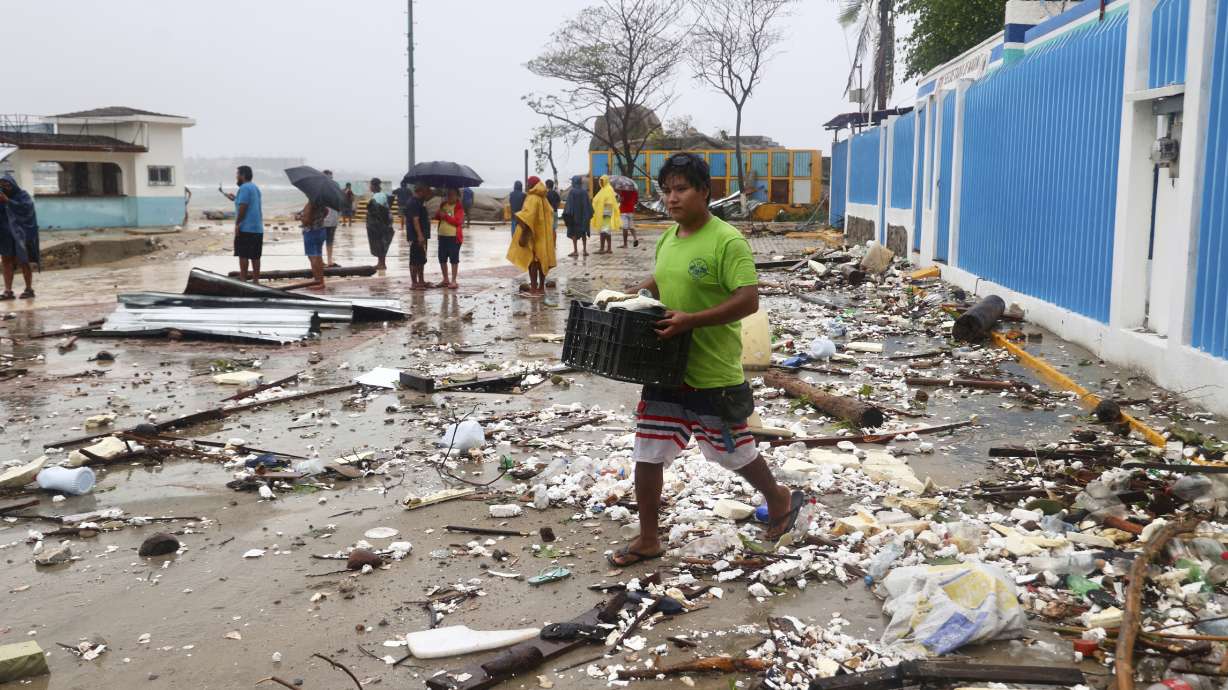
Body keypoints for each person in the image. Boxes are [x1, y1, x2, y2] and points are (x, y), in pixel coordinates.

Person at [608, 152, 799, 567]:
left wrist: (692, 320)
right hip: (665, 368)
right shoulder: (667, 238)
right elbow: (660, 279)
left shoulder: (727, 240)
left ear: (704, 192)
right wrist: (634, 297)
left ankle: (778, 497)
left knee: (733, 453)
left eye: (681, 189)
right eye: (666, 190)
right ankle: (647, 538)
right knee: (648, 451)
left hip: (712, 372)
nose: (671, 199)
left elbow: (748, 300)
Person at [506, 176, 556, 295]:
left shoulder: (532, 198)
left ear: (531, 185)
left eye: (528, 184)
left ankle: (533, 288)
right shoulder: (544, 198)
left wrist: (520, 221)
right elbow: (550, 213)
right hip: (543, 235)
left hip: (533, 235)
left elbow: (528, 216)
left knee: (532, 262)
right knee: (542, 260)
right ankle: (541, 288)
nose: (527, 186)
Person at [0, 173, 39, 300]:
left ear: (13, 183)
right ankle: (8, 291)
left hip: (21, 234)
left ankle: (28, 289)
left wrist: (8, 201)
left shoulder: (22, 196)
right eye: (2, 185)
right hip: (5, 234)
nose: (5, 186)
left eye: (7, 183)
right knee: (6, 261)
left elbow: (27, 209)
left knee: (24, 261)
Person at [221, 165, 263, 282]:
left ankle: (243, 280)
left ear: (243, 175)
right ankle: (256, 281)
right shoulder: (255, 188)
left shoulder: (244, 188)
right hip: (257, 228)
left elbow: (243, 207)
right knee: (255, 256)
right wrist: (235, 198)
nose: (236, 177)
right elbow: (247, 203)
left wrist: (238, 224)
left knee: (243, 255)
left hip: (246, 228)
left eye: (237, 175)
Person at [433, 187, 464, 289]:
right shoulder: (443, 205)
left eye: (452, 194)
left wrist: (445, 216)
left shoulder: (459, 207)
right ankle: (445, 279)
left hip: (453, 237)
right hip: (442, 236)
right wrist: (439, 212)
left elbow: (457, 221)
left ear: (457, 196)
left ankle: (454, 280)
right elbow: (437, 217)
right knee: (442, 258)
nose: (449, 196)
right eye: (448, 194)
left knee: (454, 259)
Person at [405, 184, 432, 289]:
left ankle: (421, 280)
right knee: (415, 259)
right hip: (416, 236)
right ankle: (414, 282)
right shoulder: (413, 202)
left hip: (422, 235)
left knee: (421, 259)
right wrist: (420, 235)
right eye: (427, 191)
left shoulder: (420, 202)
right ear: (421, 190)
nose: (428, 193)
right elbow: (415, 220)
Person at [365, 178, 394, 270]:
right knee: (380, 244)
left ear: (374, 186)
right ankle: (380, 263)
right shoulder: (380, 195)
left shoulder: (378, 196)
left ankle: (382, 264)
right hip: (381, 224)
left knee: (380, 244)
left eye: (371, 185)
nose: (370, 187)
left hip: (379, 225)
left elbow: (379, 211)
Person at [299, 198, 328, 289]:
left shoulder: (311, 202)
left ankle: (317, 281)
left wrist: (300, 217)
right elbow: (326, 211)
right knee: (318, 256)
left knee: (313, 257)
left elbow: (306, 221)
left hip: (311, 232)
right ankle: (320, 281)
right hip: (321, 230)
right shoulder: (322, 201)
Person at [590, 174, 622, 254]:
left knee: (604, 231)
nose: (601, 182)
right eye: (600, 181)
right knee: (606, 231)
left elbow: (611, 201)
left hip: (606, 213)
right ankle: (608, 248)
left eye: (602, 181)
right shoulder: (603, 190)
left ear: (606, 181)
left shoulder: (608, 189)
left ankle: (602, 248)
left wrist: (602, 203)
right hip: (602, 213)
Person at [562, 175, 592, 257]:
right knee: (583, 233)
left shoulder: (572, 192)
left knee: (574, 233)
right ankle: (585, 250)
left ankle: (575, 251)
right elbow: (589, 205)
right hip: (584, 217)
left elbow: (568, 206)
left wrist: (567, 216)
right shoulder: (585, 192)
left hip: (574, 217)